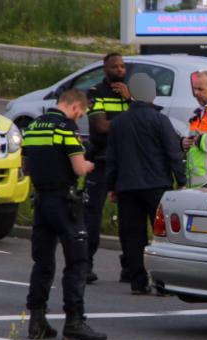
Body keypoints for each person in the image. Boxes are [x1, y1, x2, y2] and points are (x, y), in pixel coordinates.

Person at [22, 88, 107, 340]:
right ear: (75, 107)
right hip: (65, 203)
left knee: (43, 264)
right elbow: (79, 168)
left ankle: (37, 322)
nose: (79, 117)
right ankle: (75, 321)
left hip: (41, 202)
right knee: (77, 262)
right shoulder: (66, 128)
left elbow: (25, 167)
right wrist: (92, 164)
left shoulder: (34, 127)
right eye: (80, 113)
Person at [106, 74, 187, 295]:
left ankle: (138, 282)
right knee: (162, 236)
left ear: (131, 93)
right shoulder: (161, 121)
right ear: (152, 94)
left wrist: (112, 186)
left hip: (127, 187)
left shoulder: (119, 122)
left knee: (132, 236)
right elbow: (173, 153)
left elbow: (112, 158)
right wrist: (181, 181)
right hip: (157, 186)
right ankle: (162, 283)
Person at [84, 52, 132, 284]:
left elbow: (144, 116)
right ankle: (85, 265)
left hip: (127, 162)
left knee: (129, 217)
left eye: (122, 66)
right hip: (101, 160)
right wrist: (131, 120)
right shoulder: (95, 93)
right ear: (105, 69)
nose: (120, 70)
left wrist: (130, 99)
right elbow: (101, 126)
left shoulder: (131, 92)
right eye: (115, 66)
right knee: (91, 214)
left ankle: (130, 267)